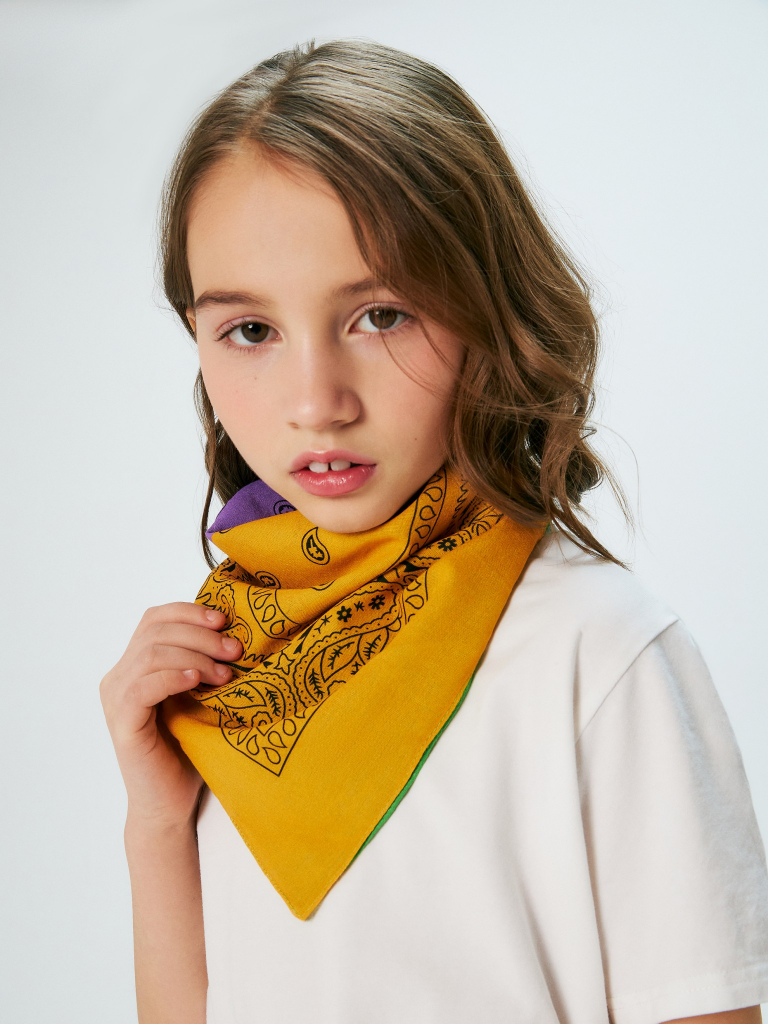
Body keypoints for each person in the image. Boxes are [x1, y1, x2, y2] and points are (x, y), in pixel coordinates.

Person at [99, 39, 768, 1024]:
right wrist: (158, 821)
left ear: (487, 309)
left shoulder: (597, 648)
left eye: (380, 315)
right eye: (251, 331)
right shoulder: (239, 667)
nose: (316, 402)